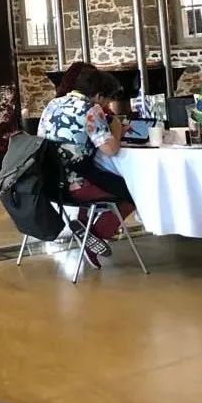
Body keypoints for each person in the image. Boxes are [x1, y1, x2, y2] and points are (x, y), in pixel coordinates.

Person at [37, 65, 134, 270]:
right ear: (98, 95)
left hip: (48, 182)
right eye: (106, 100)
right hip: (75, 186)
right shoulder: (91, 110)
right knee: (133, 192)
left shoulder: (52, 104)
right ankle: (95, 237)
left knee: (98, 176)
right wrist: (116, 129)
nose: (107, 105)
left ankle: (83, 226)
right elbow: (111, 150)